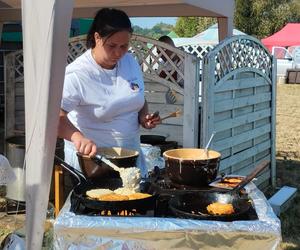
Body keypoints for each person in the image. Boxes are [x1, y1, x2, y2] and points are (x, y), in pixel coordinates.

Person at [58, 8, 160, 177]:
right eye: (112, 46)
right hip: (94, 165)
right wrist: (77, 137)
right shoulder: (77, 74)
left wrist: (144, 116)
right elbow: (56, 117)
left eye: (124, 46)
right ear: (97, 38)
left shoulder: (130, 62)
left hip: (131, 159)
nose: (119, 53)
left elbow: (137, 97)